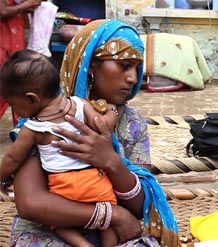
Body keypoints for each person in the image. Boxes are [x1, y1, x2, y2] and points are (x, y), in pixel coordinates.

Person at [3, 19, 180, 246]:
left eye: (137, 67)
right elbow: (31, 203)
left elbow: (139, 206)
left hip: (114, 235)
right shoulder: (43, 119)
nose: (133, 78)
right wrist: (112, 214)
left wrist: (111, 161)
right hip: (49, 232)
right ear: (90, 63)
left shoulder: (133, 123)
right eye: (124, 65)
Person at [0, 49, 121, 247]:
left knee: (56, 221)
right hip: (95, 181)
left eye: (13, 104)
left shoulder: (32, 128)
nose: (15, 110)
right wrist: (112, 112)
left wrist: (3, 177)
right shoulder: (80, 105)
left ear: (32, 99)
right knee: (107, 222)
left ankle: (83, 244)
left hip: (63, 188)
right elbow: (102, 125)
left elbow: (13, 159)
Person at [0, 0, 41, 126]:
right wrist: (26, 6)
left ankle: (20, 130)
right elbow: (2, 11)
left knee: (19, 89)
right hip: (5, 45)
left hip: (14, 44)